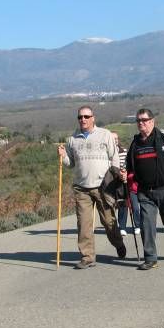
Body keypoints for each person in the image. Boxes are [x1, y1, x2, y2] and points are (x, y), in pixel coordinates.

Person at [57, 106, 126, 269]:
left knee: (109, 221)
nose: (83, 119)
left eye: (86, 116)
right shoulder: (72, 139)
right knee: (84, 224)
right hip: (81, 188)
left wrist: (115, 177)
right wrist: (63, 156)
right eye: (80, 117)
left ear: (93, 118)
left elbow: (114, 156)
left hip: (103, 186)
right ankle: (87, 256)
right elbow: (71, 164)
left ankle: (118, 244)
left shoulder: (105, 134)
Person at [124, 108, 164, 270]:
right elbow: (130, 166)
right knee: (146, 224)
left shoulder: (163, 136)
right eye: (138, 120)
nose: (141, 123)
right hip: (145, 192)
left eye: (144, 120)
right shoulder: (136, 142)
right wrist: (127, 176)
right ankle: (150, 257)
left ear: (152, 121)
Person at [113, 132, 141, 236]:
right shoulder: (107, 153)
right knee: (122, 205)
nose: (114, 140)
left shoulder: (124, 151)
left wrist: (126, 173)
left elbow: (129, 165)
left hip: (127, 181)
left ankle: (138, 225)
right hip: (115, 183)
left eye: (116, 138)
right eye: (112, 139)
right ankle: (122, 227)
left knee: (135, 205)